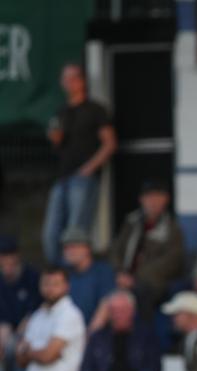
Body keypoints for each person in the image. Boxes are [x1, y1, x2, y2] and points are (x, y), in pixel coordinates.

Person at [43, 63, 117, 265]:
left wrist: (90, 168)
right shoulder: (61, 111)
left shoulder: (95, 110)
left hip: (83, 178)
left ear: (82, 81)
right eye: (65, 78)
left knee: (76, 231)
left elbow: (110, 143)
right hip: (62, 176)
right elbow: (57, 143)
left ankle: (74, 274)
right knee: (51, 232)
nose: (70, 82)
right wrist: (55, 138)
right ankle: (57, 273)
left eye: (73, 77)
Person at [109, 181, 186, 319]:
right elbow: (116, 249)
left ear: (166, 199)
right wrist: (120, 271)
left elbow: (172, 261)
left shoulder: (172, 228)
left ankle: (142, 331)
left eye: (158, 197)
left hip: (152, 282)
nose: (153, 202)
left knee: (142, 292)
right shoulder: (131, 221)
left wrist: (135, 277)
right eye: (149, 197)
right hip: (123, 277)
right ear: (141, 199)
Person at [80, 290, 161, 371]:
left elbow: (153, 369)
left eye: (122, 310)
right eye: (113, 311)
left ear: (132, 311)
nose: (117, 315)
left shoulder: (146, 336)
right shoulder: (97, 337)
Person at [16, 268, 85, 371]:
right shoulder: (37, 316)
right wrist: (40, 354)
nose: (50, 288)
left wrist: (28, 352)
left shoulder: (70, 314)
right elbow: (20, 360)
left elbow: (47, 356)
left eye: (55, 284)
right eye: (46, 283)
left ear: (66, 286)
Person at [0, 236, 41, 371]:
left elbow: (36, 310)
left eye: (9, 255)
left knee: (18, 348)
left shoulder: (31, 277)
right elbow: (3, 320)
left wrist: (21, 333)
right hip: (7, 330)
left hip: (32, 329)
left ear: (16, 256)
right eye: (2, 257)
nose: (6, 260)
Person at [60, 228, 116, 327]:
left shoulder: (102, 271)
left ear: (87, 248)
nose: (69, 251)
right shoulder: (63, 272)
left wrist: (90, 334)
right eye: (66, 248)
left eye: (73, 246)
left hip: (94, 332)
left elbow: (105, 306)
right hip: (66, 331)